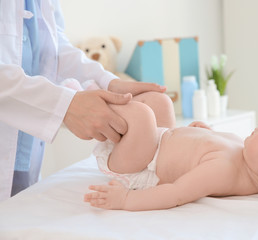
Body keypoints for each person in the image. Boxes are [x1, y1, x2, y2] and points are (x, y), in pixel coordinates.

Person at [0, 0, 165, 201]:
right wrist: (65, 106)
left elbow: (52, 48)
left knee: (159, 103)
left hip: (24, 157)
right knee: (147, 111)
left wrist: (109, 82)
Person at [84, 92, 258, 211]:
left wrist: (125, 200)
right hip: (157, 142)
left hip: (139, 167)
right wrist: (204, 132)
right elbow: (206, 147)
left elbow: (175, 193)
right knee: (159, 100)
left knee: (142, 114)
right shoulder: (243, 152)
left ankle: (84, 98)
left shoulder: (224, 171)